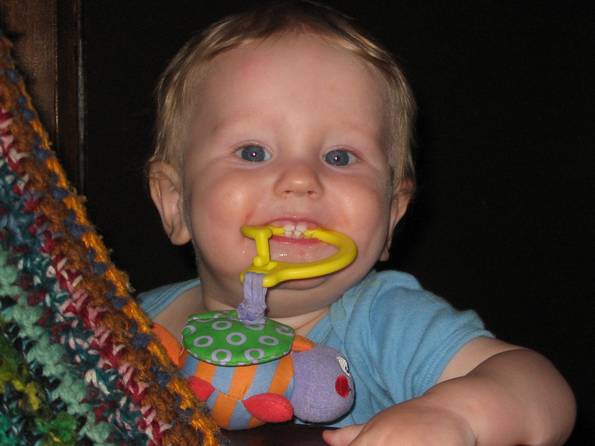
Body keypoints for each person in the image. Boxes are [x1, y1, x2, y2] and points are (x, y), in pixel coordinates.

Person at [139, 1, 575, 444]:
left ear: (392, 214)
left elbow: (539, 387)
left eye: (340, 157)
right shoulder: (128, 323)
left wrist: (455, 416)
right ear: (174, 201)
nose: (300, 179)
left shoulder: (384, 324)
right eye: (253, 152)